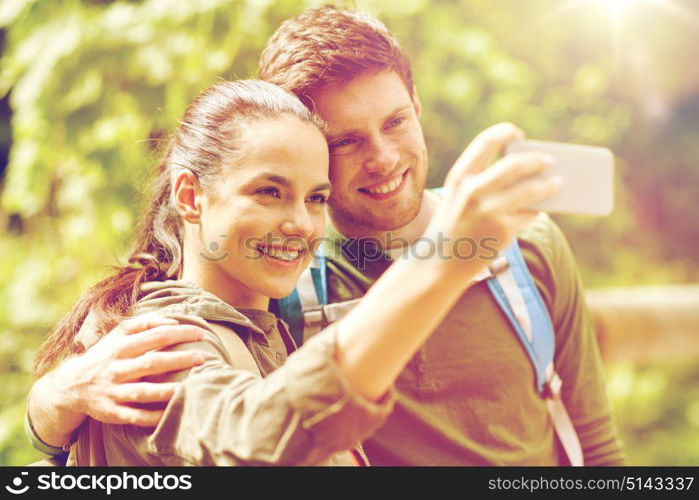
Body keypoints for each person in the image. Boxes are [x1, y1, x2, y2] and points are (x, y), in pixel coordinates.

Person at [26, 6, 625, 465]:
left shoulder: (527, 246)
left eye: (395, 121)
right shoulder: (278, 283)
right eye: (347, 141)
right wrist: (55, 398)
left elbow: (594, 442)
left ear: (417, 104)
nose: (385, 158)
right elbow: (242, 426)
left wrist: (50, 405)